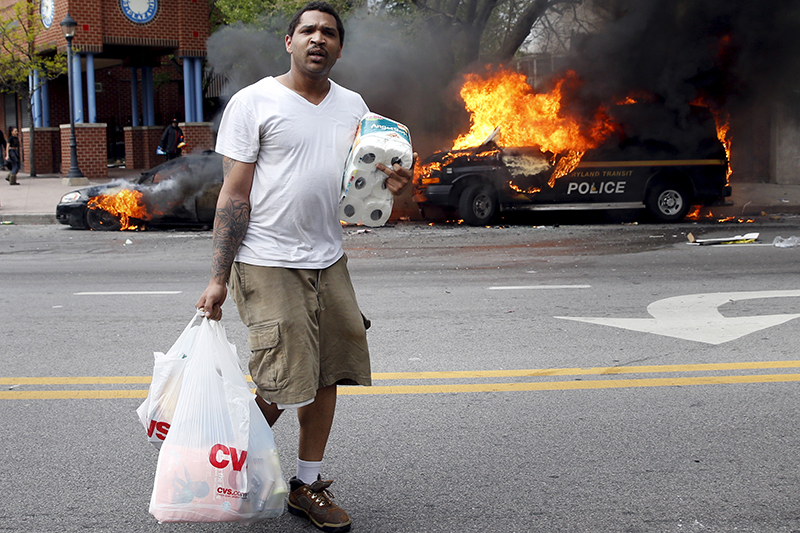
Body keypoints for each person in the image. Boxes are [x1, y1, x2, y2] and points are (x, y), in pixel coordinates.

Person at [195, 2, 415, 531]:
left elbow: (364, 183)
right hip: (266, 259)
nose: (319, 39)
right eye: (308, 30)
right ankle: (223, 461)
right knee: (281, 378)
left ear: (339, 47)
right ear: (289, 41)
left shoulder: (355, 106)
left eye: (330, 33)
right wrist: (219, 278)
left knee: (326, 373)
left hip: (329, 257)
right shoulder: (255, 102)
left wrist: (394, 187)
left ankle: (305, 485)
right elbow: (234, 193)